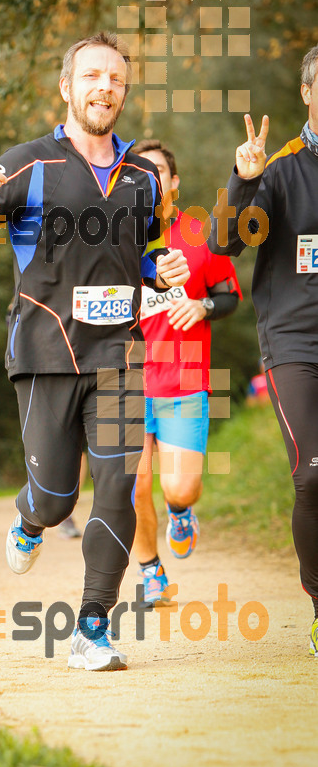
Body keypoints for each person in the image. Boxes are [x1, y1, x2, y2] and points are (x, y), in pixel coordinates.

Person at [0, 32, 190, 670]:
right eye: (92, 76)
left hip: (120, 357)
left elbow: (141, 254)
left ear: (124, 93)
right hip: (47, 352)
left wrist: (162, 268)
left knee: (117, 484)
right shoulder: (28, 164)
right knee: (56, 498)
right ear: (67, 87)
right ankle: (28, 517)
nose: (105, 87)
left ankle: (93, 625)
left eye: (116, 79)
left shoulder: (141, 178)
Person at [208, 44, 318, 657]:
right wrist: (243, 178)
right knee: (313, 475)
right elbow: (223, 242)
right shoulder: (280, 170)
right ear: (307, 92)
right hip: (296, 343)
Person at [131, 141, 241, 604]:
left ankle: (180, 511)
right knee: (130, 485)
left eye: (160, 172)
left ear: (174, 181)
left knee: (181, 485)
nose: (153, 180)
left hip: (183, 381)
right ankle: (151, 570)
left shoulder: (200, 235)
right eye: (142, 173)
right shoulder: (115, 237)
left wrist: (202, 305)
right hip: (126, 382)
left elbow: (231, 296)